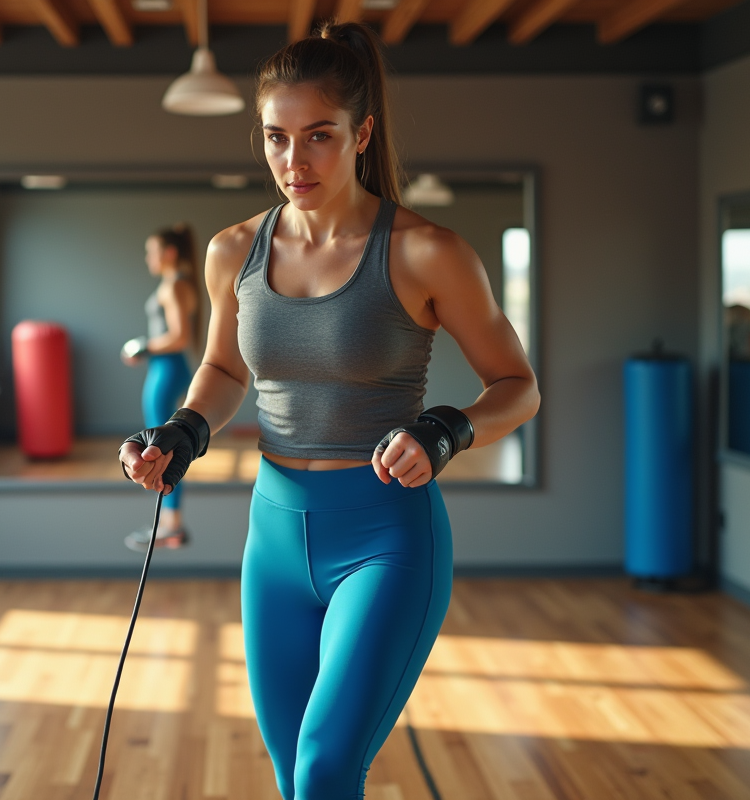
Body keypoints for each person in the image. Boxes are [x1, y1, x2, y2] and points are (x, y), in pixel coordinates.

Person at [119, 21, 539, 800]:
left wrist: (445, 430)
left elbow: (519, 386)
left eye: (318, 136)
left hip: (385, 537)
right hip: (274, 533)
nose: (293, 160)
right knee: (294, 778)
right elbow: (220, 366)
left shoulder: (424, 251)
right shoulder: (231, 250)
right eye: (277, 138)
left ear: (362, 133)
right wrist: (183, 429)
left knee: (323, 770)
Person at [120, 224, 203, 552]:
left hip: (168, 370)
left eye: (151, 251)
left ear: (169, 253)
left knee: (164, 446)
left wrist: (144, 346)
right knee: (161, 444)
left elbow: (179, 336)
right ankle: (170, 522)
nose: (147, 258)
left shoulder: (174, 287)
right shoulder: (176, 284)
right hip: (164, 369)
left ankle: (171, 524)